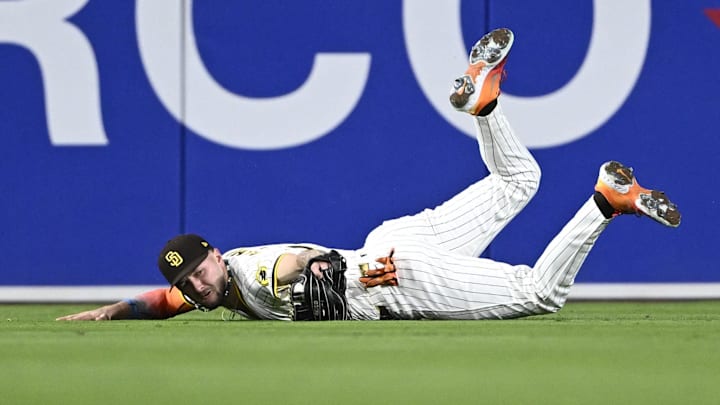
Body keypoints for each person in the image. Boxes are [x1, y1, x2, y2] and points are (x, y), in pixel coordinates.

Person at [57, 28, 680, 322]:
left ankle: (605, 201)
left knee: (539, 294)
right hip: (394, 241)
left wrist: (330, 269)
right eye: (192, 282)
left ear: (217, 255)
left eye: (199, 270)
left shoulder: (249, 274)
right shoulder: (214, 283)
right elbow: (167, 299)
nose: (197, 285)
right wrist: (115, 311)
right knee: (520, 181)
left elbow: (295, 267)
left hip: (390, 278)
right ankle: (485, 105)